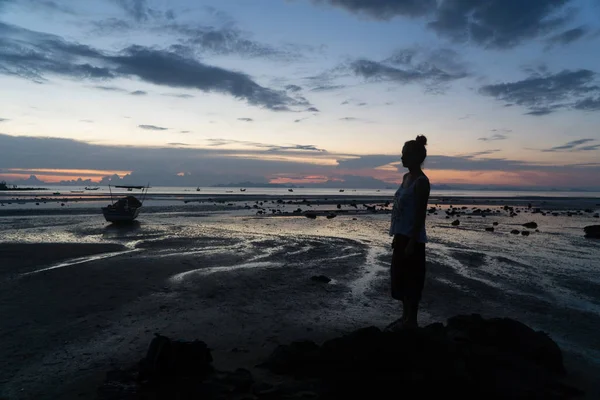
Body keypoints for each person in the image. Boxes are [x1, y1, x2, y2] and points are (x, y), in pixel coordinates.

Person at [387, 135, 430, 330]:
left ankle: (411, 321)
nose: (401, 157)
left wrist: (412, 242)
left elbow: (420, 216)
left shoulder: (421, 182)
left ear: (415, 157)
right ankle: (404, 318)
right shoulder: (406, 178)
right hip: (401, 236)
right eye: (402, 154)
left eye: (405, 154)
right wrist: (397, 236)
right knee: (400, 278)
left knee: (413, 280)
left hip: (413, 239)